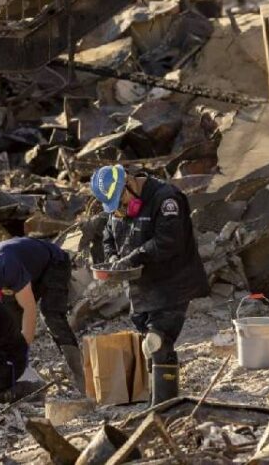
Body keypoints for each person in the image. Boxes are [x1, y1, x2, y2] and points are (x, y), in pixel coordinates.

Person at [89, 164, 209, 405]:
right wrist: (114, 259)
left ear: (129, 184)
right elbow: (109, 237)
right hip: (141, 288)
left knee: (157, 340)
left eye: (121, 202)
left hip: (173, 282)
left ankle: (163, 405)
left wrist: (133, 258)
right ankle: (162, 395)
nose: (121, 210)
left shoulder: (166, 199)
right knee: (149, 342)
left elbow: (168, 241)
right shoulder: (119, 208)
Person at [0, 237, 85, 392]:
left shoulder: (6, 268)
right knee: (9, 313)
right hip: (25, 270)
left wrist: (22, 350)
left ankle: (80, 372)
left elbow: (29, 308)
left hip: (54, 263)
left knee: (51, 314)